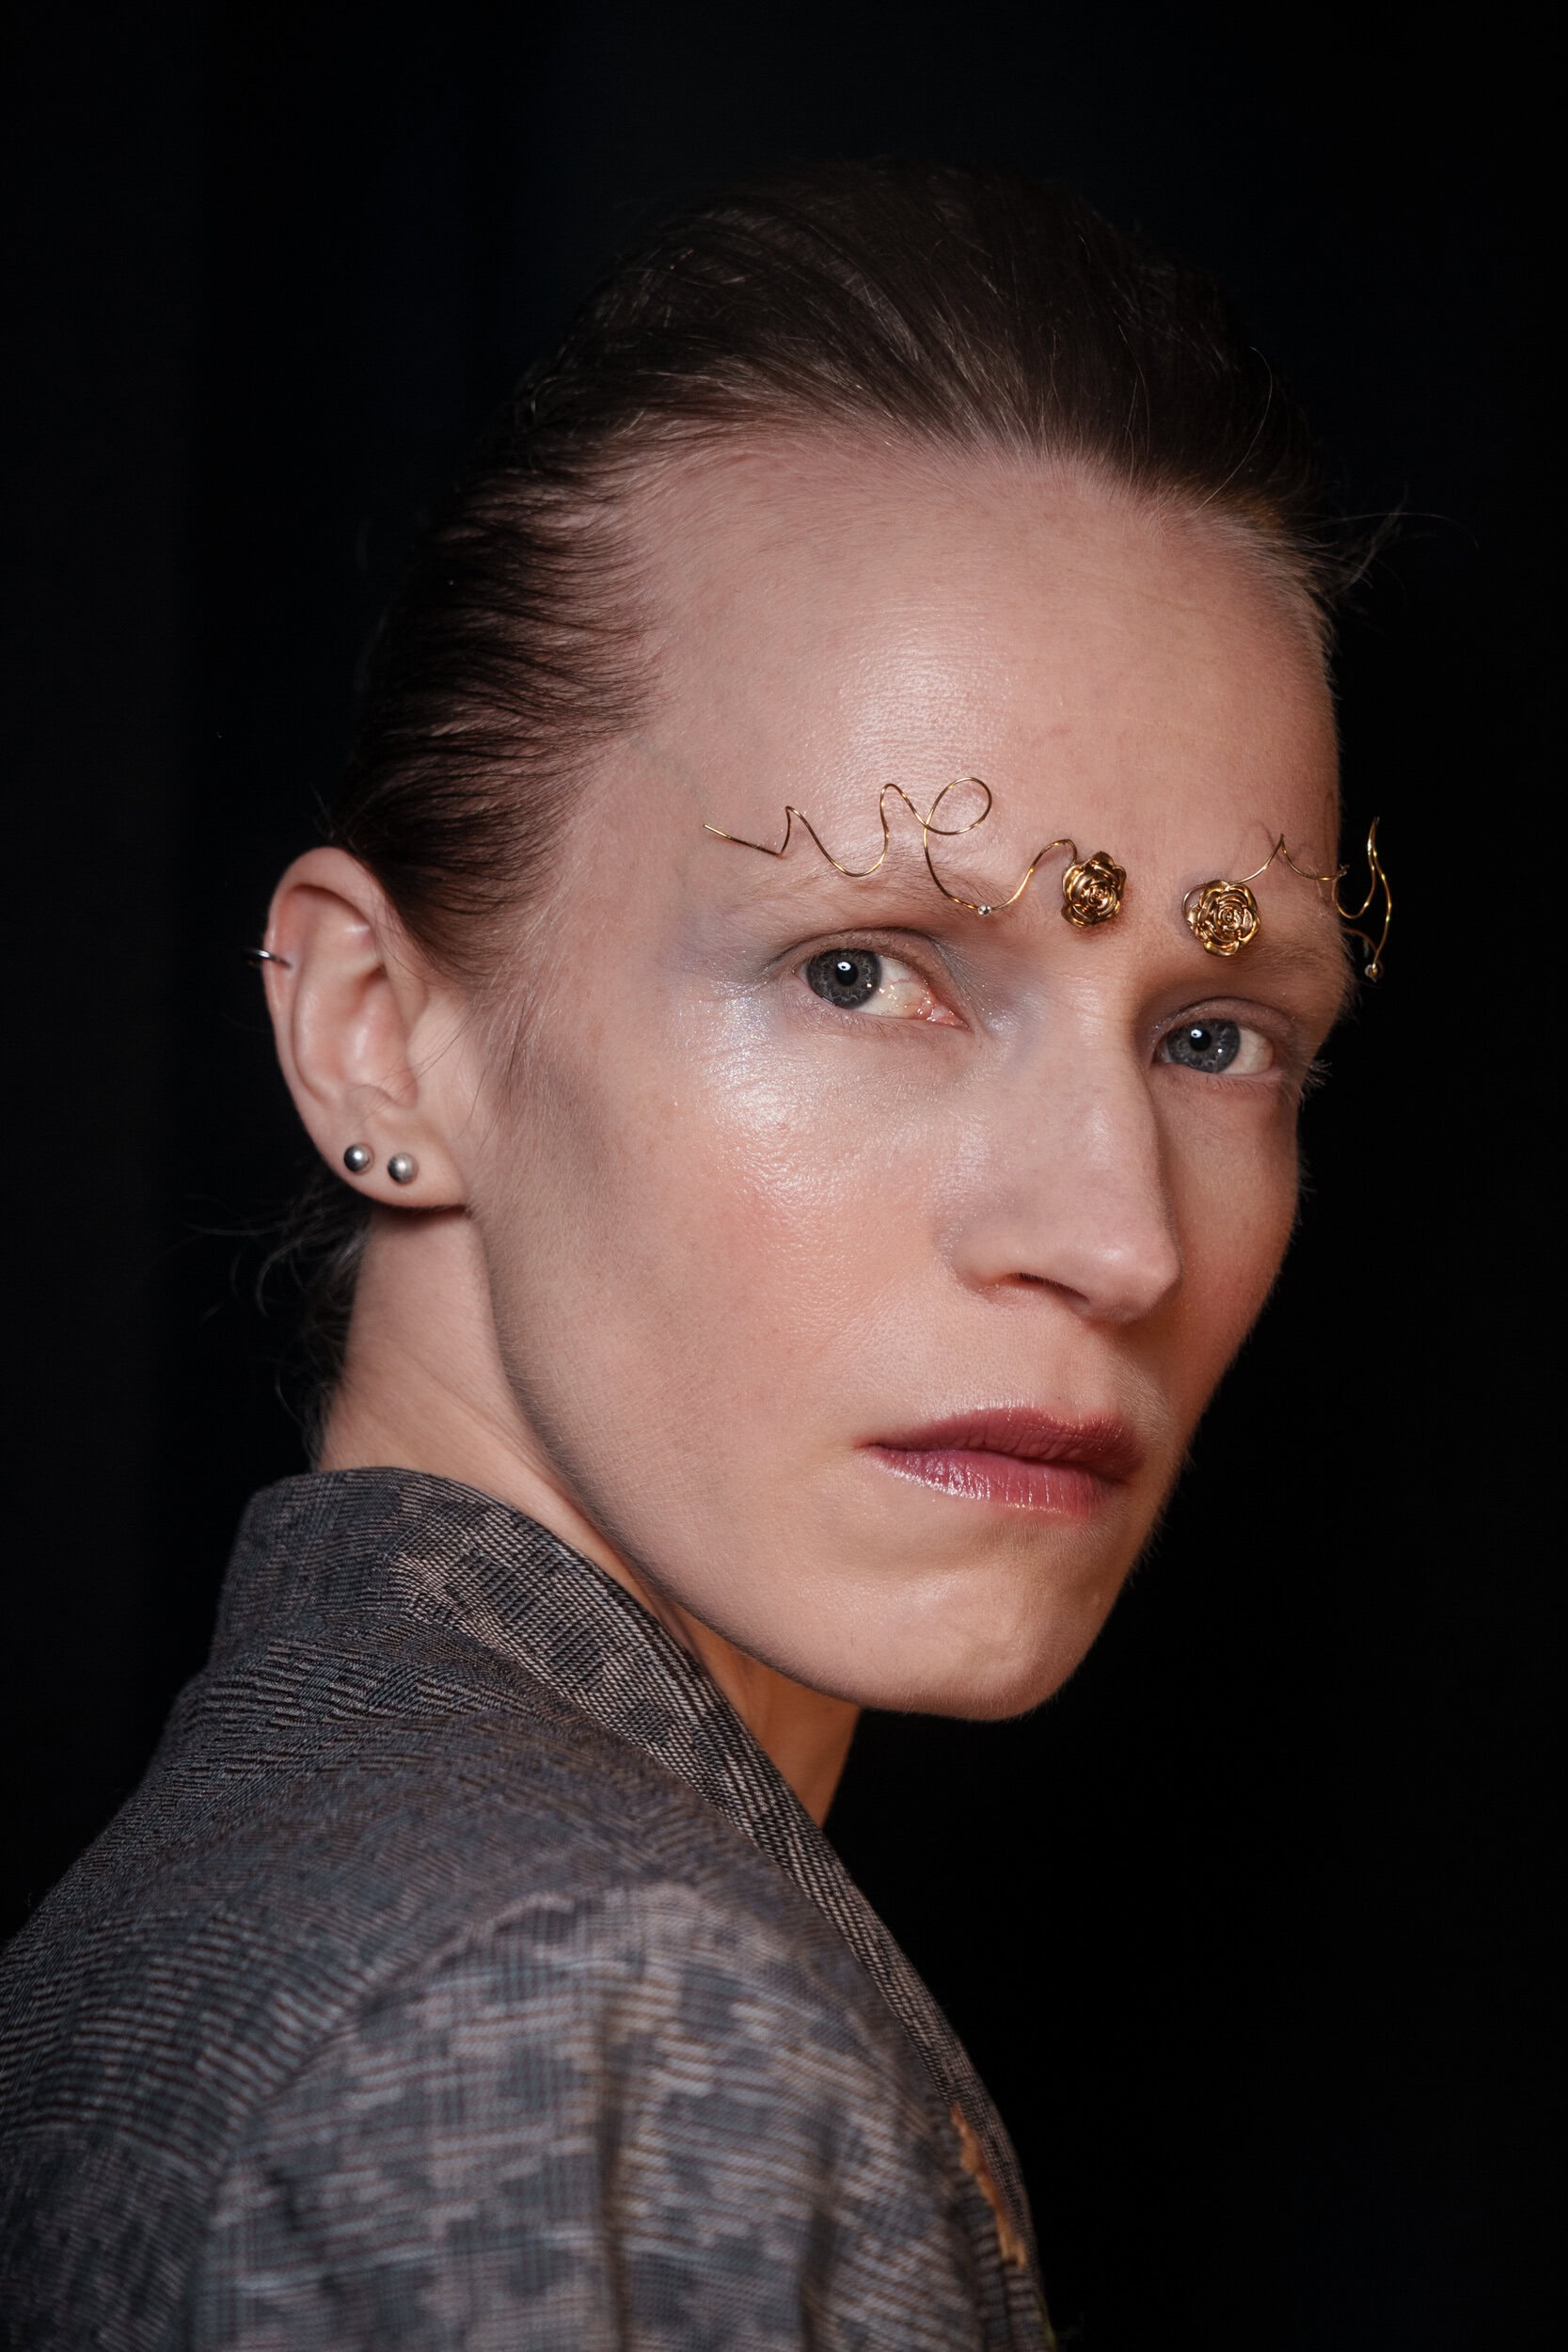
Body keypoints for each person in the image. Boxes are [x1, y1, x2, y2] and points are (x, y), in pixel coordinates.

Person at [0, 161, 1384, 2348]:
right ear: (378, 1029)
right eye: (864, 970)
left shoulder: (276, 1886)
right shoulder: (579, 2029)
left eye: (1217, 1033)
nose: (1118, 1235)